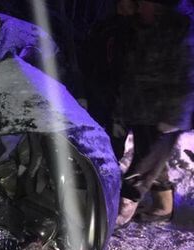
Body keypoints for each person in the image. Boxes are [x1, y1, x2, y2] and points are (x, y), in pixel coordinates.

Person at [115, 0, 194, 226]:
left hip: (165, 113)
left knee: (143, 167)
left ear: (159, 6)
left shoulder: (180, 30)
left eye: (144, 4)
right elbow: (133, 71)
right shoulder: (143, 28)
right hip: (142, 109)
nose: (139, 8)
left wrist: (176, 116)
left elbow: (188, 75)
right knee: (151, 160)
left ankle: (120, 214)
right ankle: (163, 208)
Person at [82, 0, 137, 161]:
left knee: (113, 144)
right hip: (99, 92)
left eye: (129, 6)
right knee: (92, 137)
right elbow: (89, 59)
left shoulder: (138, 32)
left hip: (120, 99)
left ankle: (107, 167)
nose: (124, 10)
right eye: (121, 6)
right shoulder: (105, 28)